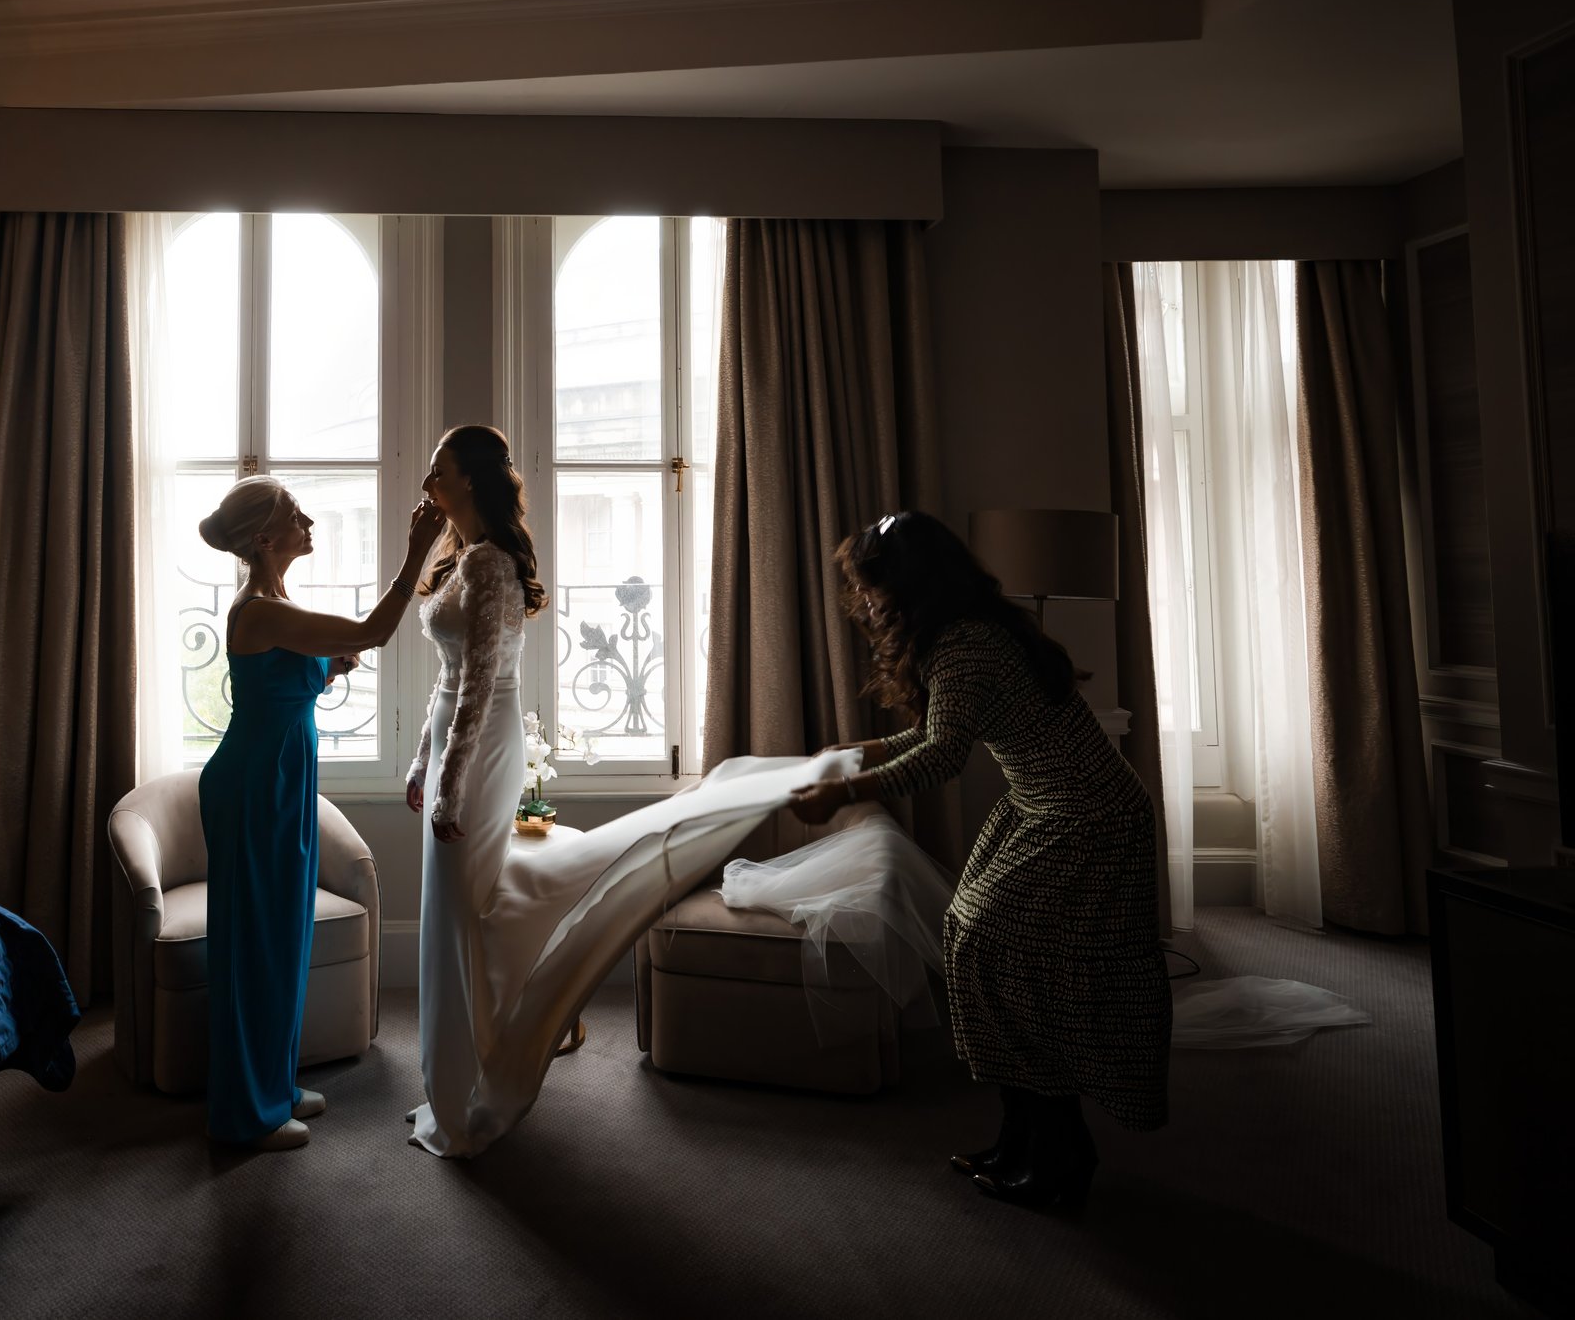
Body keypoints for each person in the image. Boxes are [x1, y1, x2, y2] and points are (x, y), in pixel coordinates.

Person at [404, 425, 831, 1158]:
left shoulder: (493, 566)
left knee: (462, 913)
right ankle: (457, 1077)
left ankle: (477, 1089)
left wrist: (450, 785)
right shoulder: (458, 559)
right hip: (453, 744)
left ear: (469, 479)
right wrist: (421, 759)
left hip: (480, 750)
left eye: (436, 469)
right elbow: (447, 679)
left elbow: (479, 685)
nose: (426, 483)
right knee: (451, 915)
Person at [789, 509, 1169, 1207]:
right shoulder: (964, 632)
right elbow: (936, 730)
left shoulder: (963, 644)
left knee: (1002, 953)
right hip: (1046, 805)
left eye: (874, 587)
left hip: (1089, 816)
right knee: (973, 940)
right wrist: (858, 753)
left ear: (910, 583)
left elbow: (943, 755)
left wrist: (846, 787)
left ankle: (1058, 1150)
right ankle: (1024, 1134)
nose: (867, 602)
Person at [196, 475, 444, 1151]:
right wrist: (417, 547)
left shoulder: (276, 602)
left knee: (284, 937)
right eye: (293, 513)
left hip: (282, 782)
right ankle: (247, 1113)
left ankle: (272, 1082)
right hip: (253, 787)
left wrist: (325, 670)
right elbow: (374, 630)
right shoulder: (257, 608)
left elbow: (284, 678)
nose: (310, 520)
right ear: (266, 538)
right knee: (255, 946)